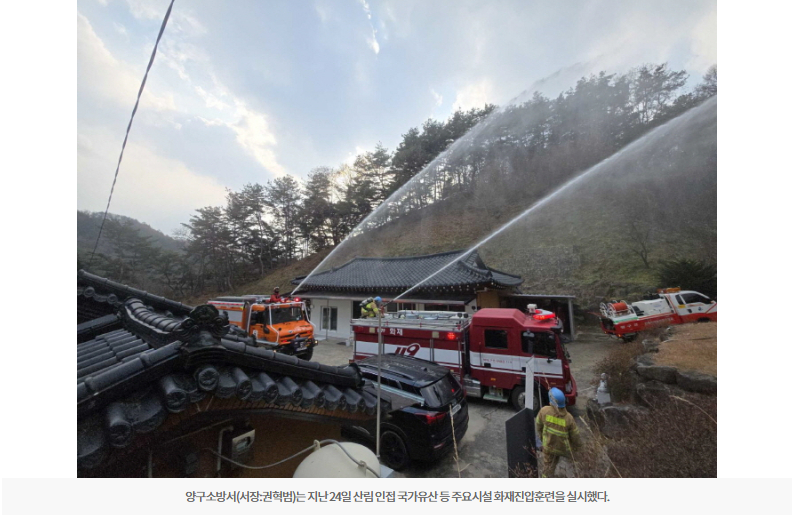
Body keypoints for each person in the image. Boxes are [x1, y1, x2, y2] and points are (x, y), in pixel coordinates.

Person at [535, 387, 582, 478]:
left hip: (549, 446)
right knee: (575, 466)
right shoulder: (569, 418)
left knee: (547, 468)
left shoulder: (544, 411)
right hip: (564, 448)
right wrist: (579, 449)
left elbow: (539, 426)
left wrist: (543, 440)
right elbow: (575, 436)